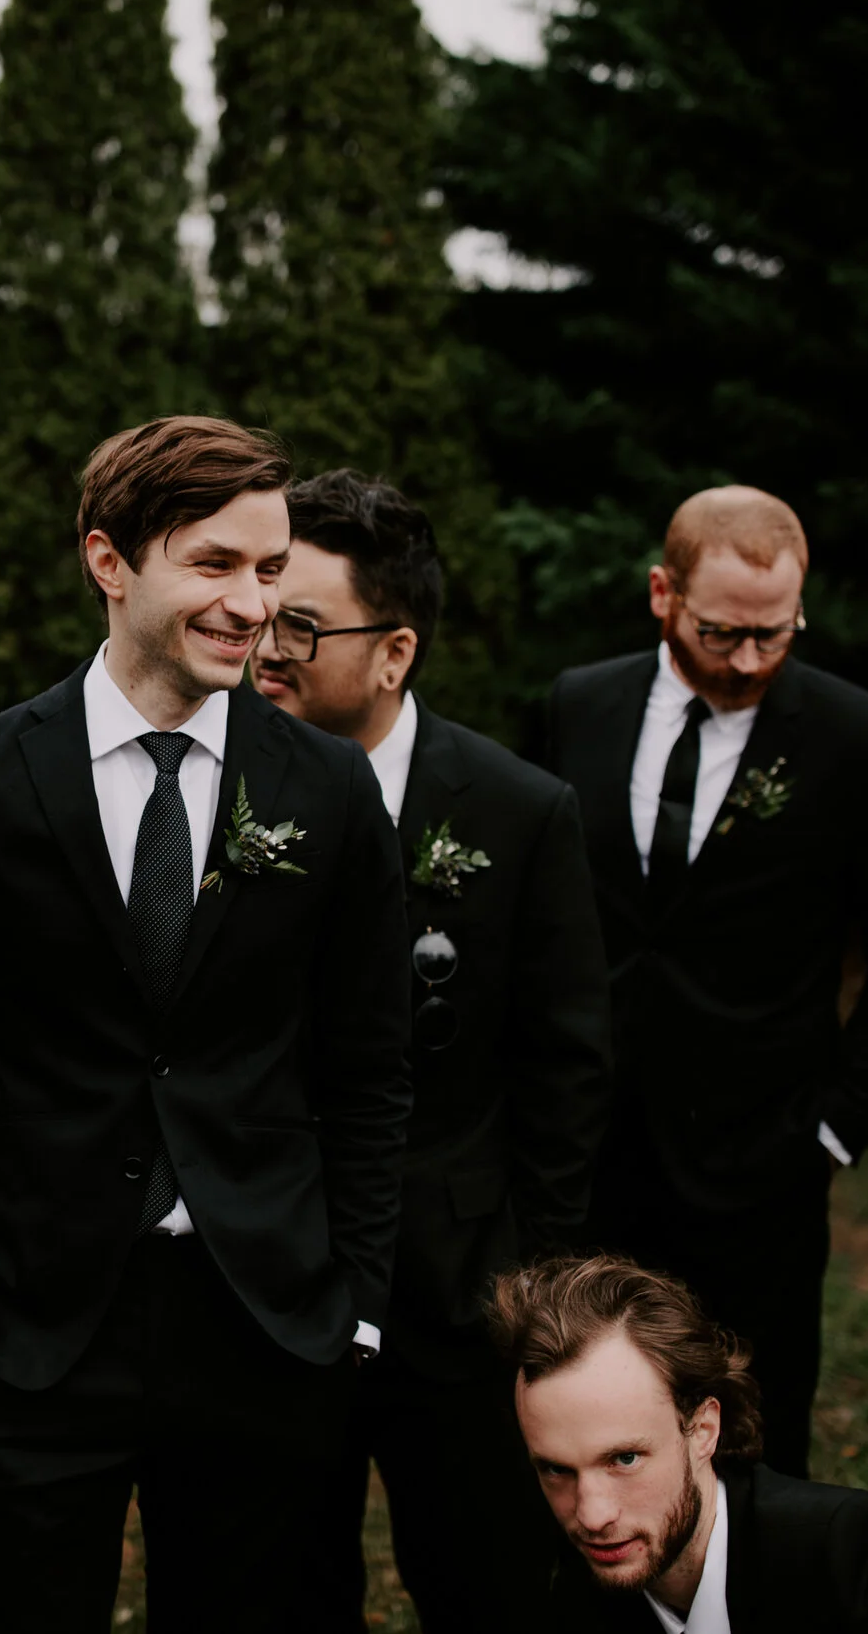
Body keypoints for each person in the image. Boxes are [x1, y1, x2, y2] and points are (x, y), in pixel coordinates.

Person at [0, 416, 413, 1633]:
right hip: (25, 1320)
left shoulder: (326, 786)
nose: (252, 603)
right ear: (110, 560)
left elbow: (369, 1064)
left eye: (268, 570)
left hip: (262, 1321)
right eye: (215, 564)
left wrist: (355, 1306)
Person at [258, 469, 613, 1631]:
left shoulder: (519, 810)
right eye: (262, 606)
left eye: (300, 622)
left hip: (459, 1293)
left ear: (396, 651)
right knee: (282, 1582)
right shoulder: (209, 788)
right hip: (265, 1274)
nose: (265, 643)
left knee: (483, 1585)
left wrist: (532, 1284)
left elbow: (562, 1067)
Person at [544, 487, 868, 1476]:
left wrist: (833, 1126)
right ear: (661, 594)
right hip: (585, 1154)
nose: (749, 661)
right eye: (721, 632)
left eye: (775, 633)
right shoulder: (576, 705)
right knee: (581, 1427)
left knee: (750, 1445)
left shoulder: (861, 740)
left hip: (758, 1168)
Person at [497, 1253, 868, 1632]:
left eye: (624, 1458)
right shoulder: (575, 1604)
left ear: (702, 1431)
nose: (591, 1515)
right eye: (555, 1470)